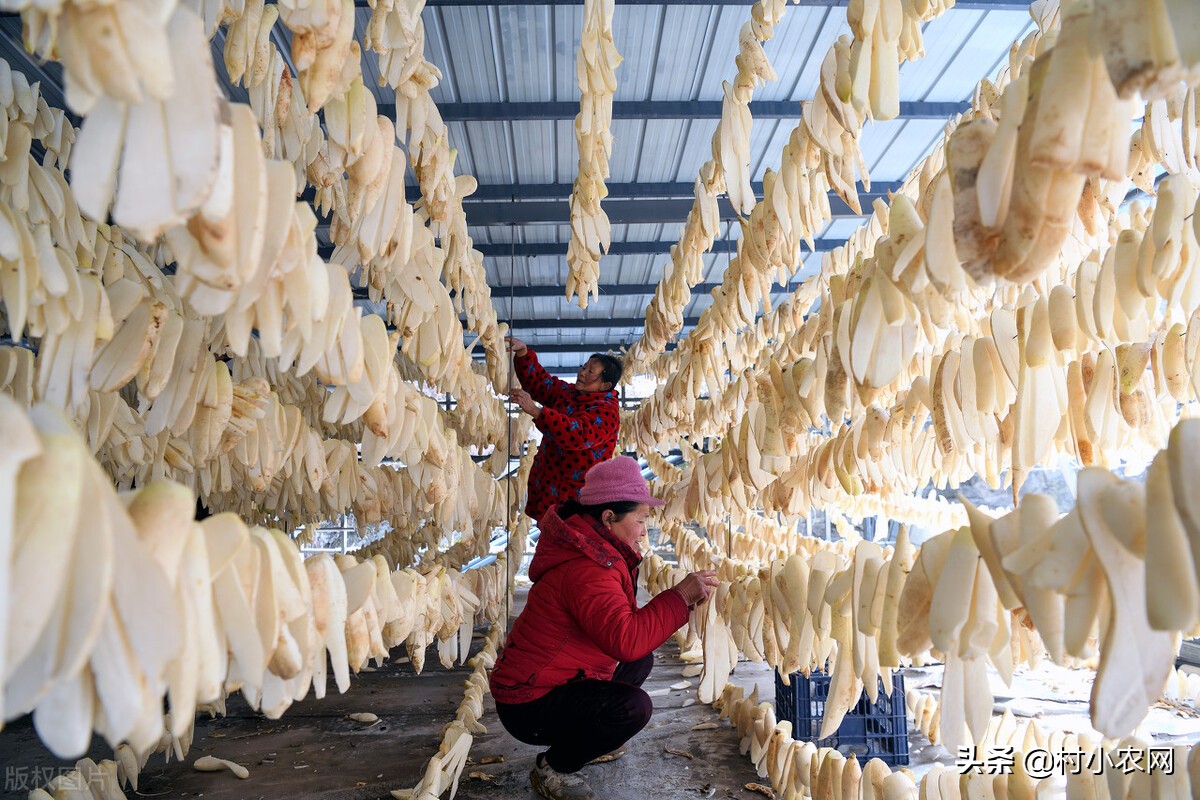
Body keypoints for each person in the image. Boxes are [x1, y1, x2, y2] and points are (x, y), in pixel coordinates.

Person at [489, 457, 721, 800]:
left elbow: (623, 629)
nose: (644, 530)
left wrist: (681, 602)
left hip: (549, 680)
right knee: (633, 708)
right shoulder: (588, 569)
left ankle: (583, 739)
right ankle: (554, 766)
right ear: (608, 518)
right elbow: (626, 640)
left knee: (641, 661)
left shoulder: (597, 553)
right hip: (526, 702)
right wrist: (679, 596)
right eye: (640, 520)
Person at [506, 335, 623, 523]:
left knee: (568, 546)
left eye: (591, 371)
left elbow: (577, 435)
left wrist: (537, 411)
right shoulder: (569, 393)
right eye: (584, 367)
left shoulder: (607, 413)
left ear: (605, 385)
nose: (582, 373)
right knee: (548, 541)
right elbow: (539, 382)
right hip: (547, 490)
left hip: (576, 502)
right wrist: (523, 352)